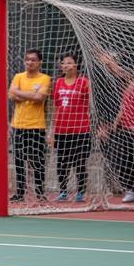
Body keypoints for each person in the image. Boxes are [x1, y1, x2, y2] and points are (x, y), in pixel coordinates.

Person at [95, 50, 134, 204]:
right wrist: (115, 123)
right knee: (125, 161)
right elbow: (123, 106)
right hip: (127, 129)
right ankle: (130, 190)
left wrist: (111, 64)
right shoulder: (131, 85)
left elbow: (120, 71)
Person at [8, 49, 51, 203]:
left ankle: (40, 192)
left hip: (36, 126)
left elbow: (39, 97)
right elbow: (11, 94)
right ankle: (20, 192)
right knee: (19, 160)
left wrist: (21, 93)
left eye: (33, 60)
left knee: (37, 161)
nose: (30, 62)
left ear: (39, 62)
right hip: (18, 125)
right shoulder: (18, 76)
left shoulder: (45, 78)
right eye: (27, 59)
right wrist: (29, 94)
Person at [50, 53, 90, 203]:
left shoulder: (84, 82)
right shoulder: (58, 82)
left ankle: (81, 192)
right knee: (62, 162)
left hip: (81, 129)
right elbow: (55, 106)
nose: (65, 65)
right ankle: (63, 191)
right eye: (63, 63)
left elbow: (90, 106)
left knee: (79, 162)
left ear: (76, 65)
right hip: (62, 129)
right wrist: (52, 131)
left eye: (69, 62)